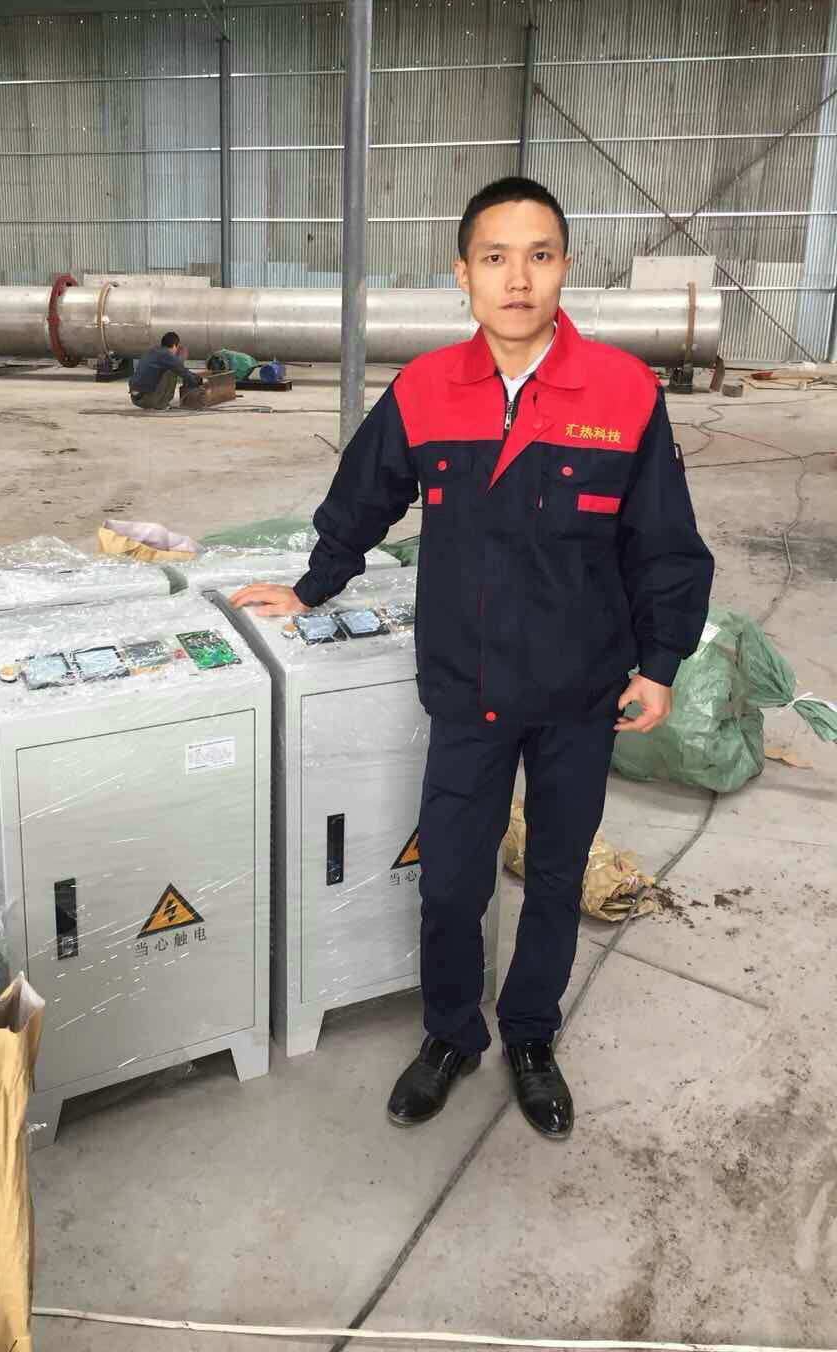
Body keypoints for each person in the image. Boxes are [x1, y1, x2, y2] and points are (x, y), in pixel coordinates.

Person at [230, 176, 714, 1141]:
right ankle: (451, 1034)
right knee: (451, 883)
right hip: (470, 690)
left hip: (581, 694)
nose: (517, 279)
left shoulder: (623, 392)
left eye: (539, 256)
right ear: (464, 275)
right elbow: (363, 497)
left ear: (565, 268)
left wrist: (659, 664)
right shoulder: (425, 389)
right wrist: (312, 586)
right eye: (496, 258)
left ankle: (531, 1035)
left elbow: (664, 545)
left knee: (557, 879)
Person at [128, 331, 203, 409]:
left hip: (135, 399)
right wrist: (198, 381)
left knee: (172, 368)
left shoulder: (152, 351)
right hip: (148, 400)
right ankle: (162, 403)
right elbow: (183, 372)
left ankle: (156, 402)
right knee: (172, 371)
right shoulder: (167, 355)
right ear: (174, 346)